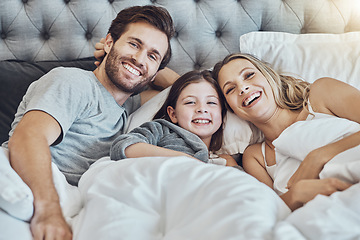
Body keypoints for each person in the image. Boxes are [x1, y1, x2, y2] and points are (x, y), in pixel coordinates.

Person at [2, 5, 175, 240]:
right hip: (30, 192)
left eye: (152, 55)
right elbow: (28, 137)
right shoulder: (73, 82)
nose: (138, 57)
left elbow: (190, 89)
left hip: (73, 202)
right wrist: (48, 211)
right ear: (109, 42)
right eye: (134, 44)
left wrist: (149, 68)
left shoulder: (133, 108)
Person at [212, 53, 359, 211]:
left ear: (269, 76)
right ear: (230, 109)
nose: (242, 88)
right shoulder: (255, 157)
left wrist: (318, 157)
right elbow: (273, 210)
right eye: (230, 89)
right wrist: (296, 193)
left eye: (249, 75)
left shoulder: (321, 93)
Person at [110, 70, 238, 167]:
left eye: (211, 103)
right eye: (190, 102)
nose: (201, 109)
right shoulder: (162, 129)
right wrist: (184, 159)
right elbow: (122, 146)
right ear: (173, 114)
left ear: (222, 113)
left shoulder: (224, 161)